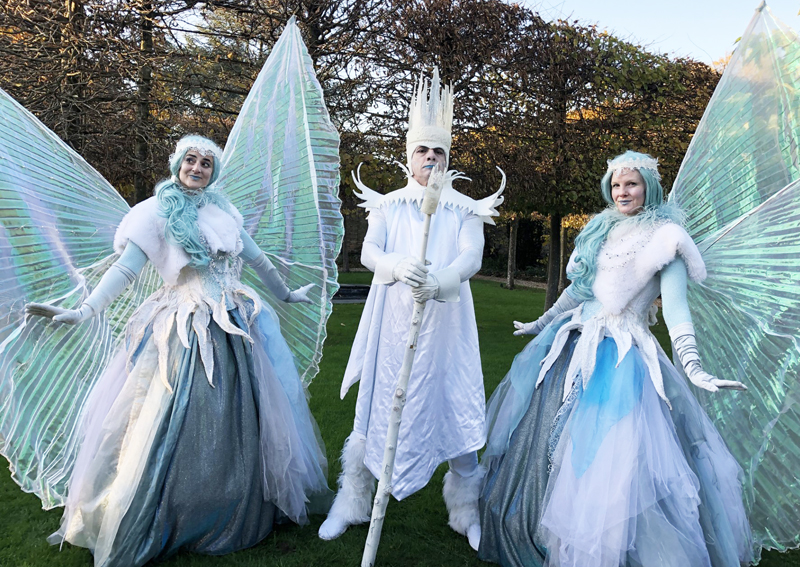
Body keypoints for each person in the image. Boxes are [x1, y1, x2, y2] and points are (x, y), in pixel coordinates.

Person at [25, 135, 331, 567]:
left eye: (207, 162)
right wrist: (85, 310)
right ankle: (166, 509)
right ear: (177, 164)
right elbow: (126, 270)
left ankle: (236, 503)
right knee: (171, 416)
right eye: (191, 159)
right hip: (188, 329)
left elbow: (258, 260)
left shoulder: (224, 211)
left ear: (213, 173)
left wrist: (285, 294)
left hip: (235, 322)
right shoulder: (153, 213)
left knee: (244, 418)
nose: (198, 167)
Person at [478, 151, 754, 567]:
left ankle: (599, 547)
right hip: (573, 344)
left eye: (632, 184)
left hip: (621, 356)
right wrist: (540, 322)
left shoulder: (667, 237)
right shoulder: (600, 228)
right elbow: (580, 291)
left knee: (610, 454)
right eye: (616, 184)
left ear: (650, 186)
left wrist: (693, 366)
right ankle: (545, 532)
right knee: (544, 442)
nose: (622, 191)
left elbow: (677, 309)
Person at [318, 69, 503, 549]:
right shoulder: (389, 204)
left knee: (453, 404)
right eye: (423, 150)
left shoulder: (466, 209)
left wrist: (439, 280)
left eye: (438, 151)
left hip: (446, 327)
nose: (431, 158)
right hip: (392, 323)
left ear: (447, 157)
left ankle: (465, 510)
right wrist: (399, 267)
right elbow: (369, 253)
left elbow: (471, 257)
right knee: (377, 406)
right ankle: (353, 501)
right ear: (410, 156)